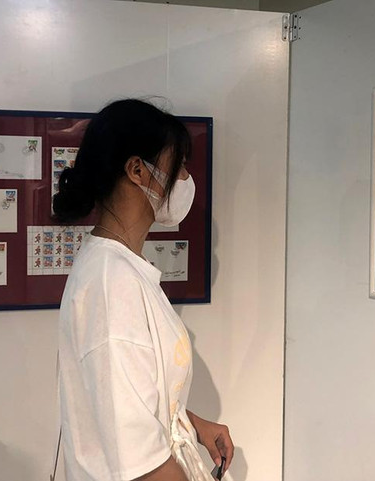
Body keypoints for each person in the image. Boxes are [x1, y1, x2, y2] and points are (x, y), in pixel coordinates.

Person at [53, 99, 233, 481]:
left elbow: (126, 400)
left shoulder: (121, 268)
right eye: (179, 165)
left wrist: (190, 423)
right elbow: (141, 465)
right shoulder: (112, 284)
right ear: (137, 170)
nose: (185, 179)